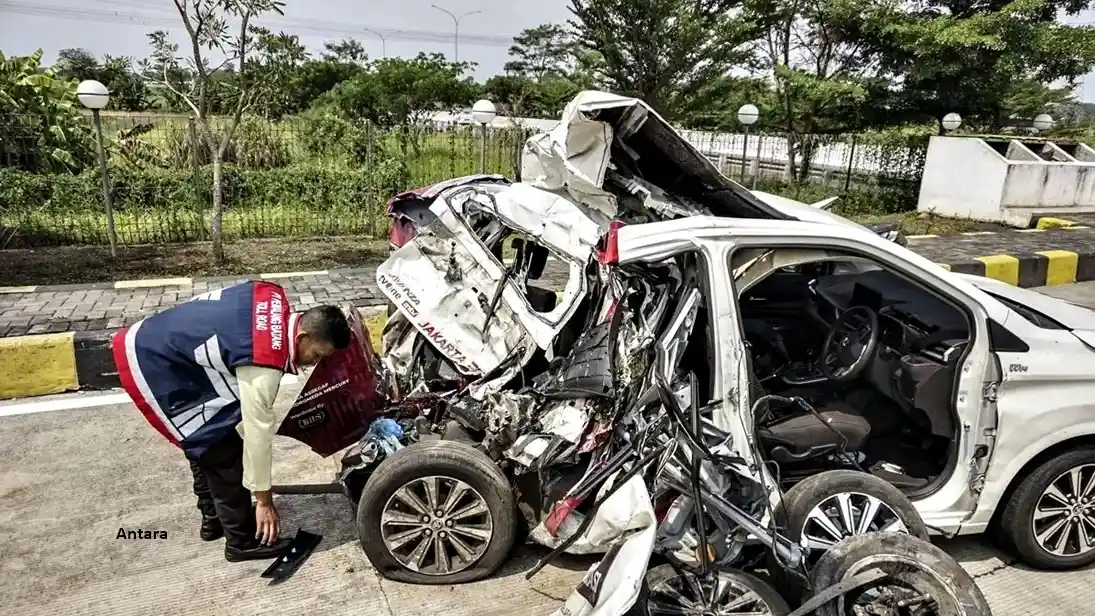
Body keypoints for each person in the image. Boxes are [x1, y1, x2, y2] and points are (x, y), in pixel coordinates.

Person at [111, 281, 351, 561]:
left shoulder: (272, 297)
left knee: (203, 438)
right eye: (316, 354)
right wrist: (263, 500)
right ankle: (241, 542)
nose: (313, 363)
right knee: (222, 450)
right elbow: (257, 434)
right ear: (302, 337)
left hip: (158, 340)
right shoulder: (264, 364)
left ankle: (213, 519)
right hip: (158, 363)